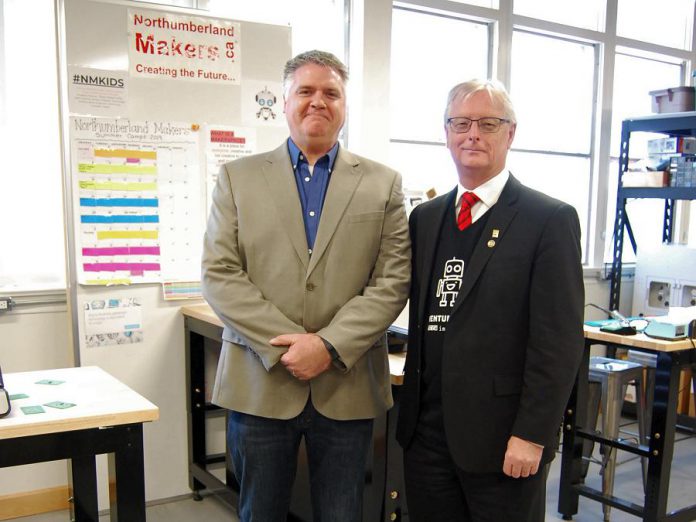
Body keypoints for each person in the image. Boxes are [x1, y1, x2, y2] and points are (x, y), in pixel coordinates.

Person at [202, 50, 410, 522]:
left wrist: (328, 345)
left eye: (331, 92)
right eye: (306, 91)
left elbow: (392, 281)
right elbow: (220, 272)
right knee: (261, 512)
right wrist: (289, 347)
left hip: (347, 382)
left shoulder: (383, 184)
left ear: (345, 104)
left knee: (343, 513)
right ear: (284, 101)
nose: (319, 101)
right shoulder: (238, 178)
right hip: (261, 379)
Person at [396, 79, 584, 522]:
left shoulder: (548, 220)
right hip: (426, 436)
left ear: (511, 133)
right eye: (460, 123)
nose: (472, 134)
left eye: (488, 123)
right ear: (446, 133)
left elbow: (557, 342)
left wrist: (533, 435)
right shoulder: (425, 217)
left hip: (502, 440)